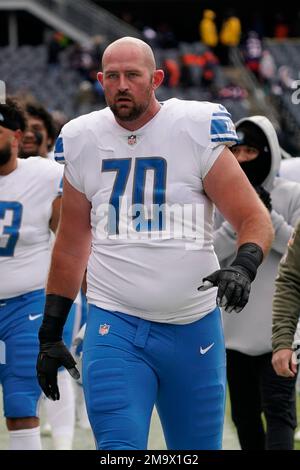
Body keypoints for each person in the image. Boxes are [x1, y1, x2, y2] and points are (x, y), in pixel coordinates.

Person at [36, 37, 273, 450]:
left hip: (193, 325)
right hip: (116, 324)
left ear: (157, 79)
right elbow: (72, 244)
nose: (122, 85)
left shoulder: (194, 128)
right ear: (100, 80)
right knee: (119, 449)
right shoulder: (82, 138)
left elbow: (254, 218)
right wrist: (51, 330)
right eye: (112, 76)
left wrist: (244, 266)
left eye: (132, 75)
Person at [214, 115, 300, 449]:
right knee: (244, 418)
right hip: (233, 331)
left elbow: (294, 247)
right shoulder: (221, 197)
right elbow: (211, 252)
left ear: (268, 152)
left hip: (278, 330)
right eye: (236, 151)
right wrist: (241, 220)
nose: (242, 159)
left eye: (250, 150)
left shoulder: (292, 193)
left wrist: (266, 216)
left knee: (279, 414)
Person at [0, 98, 63, 449]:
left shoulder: (45, 176)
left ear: (16, 137)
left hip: (25, 307)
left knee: (22, 405)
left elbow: (71, 240)